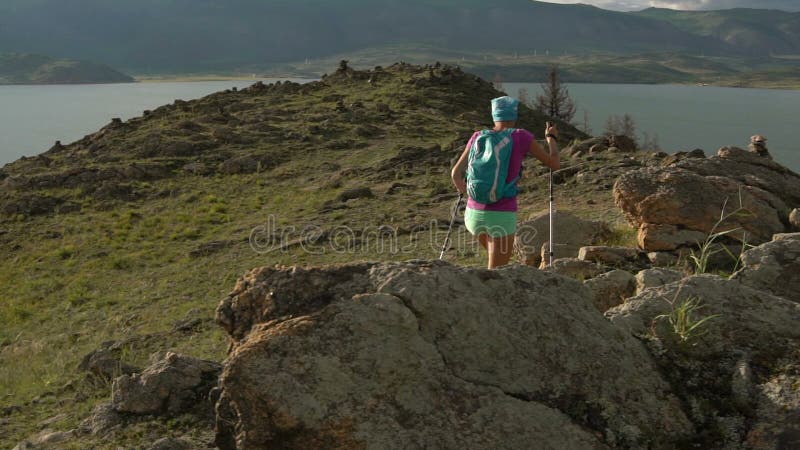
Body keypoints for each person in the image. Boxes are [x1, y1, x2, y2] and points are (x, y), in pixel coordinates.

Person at [451, 96, 560, 269]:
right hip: (500, 216)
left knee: (495, 262)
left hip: (473, 215)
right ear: (514, 115)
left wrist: (472, 191)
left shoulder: (478, 136)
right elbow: (554, 164)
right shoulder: (520, 137)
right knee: (495, 274)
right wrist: (551, 139)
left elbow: (455, 174)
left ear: (494, 115)